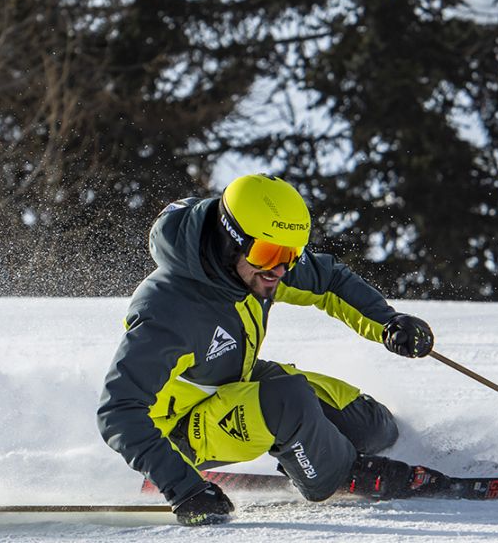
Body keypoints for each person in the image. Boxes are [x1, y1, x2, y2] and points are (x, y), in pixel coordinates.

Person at [97, 174, 442, 526]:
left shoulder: (256, 264)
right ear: (230, 240)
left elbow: (329, 281)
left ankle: (324, 452)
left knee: (372, 427)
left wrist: (388, 323)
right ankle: (335, 474)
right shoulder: (170, 310)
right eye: (268, 254)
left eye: (289, 255)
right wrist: (183, 487)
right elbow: (118, 410)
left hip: (230, 382)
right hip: (180, 432)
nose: (279, 269)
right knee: (286, 399)